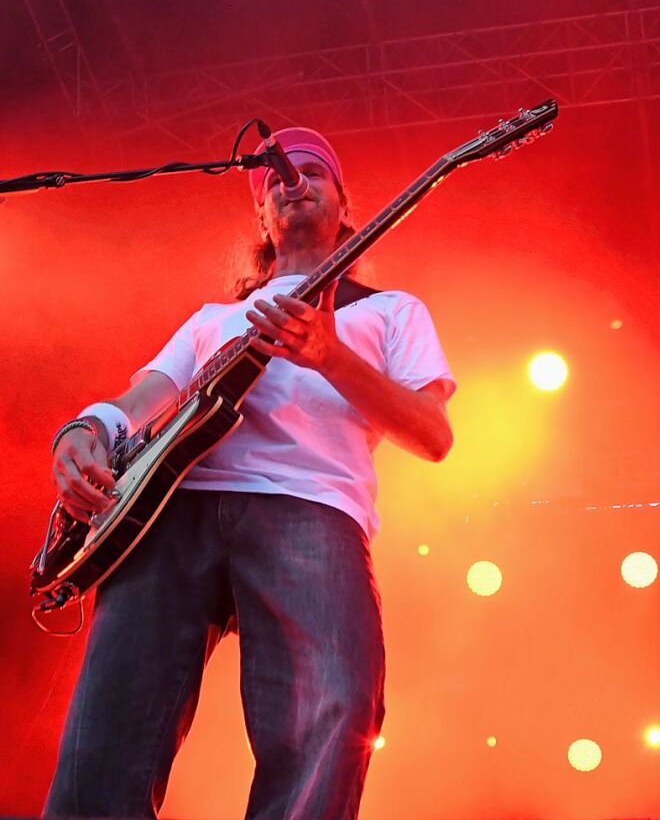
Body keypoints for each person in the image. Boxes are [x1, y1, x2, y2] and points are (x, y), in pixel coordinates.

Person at [44, 127, 456, 820]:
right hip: (168, 510)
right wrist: (82, 431)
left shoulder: (390, 312)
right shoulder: (213, 318)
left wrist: (331, 356)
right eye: (274, 181)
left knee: (334, 712)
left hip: (308, 507)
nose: (291, 182)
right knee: (106, 736)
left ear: (344, 203)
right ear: (261, 217)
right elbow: (139, 400)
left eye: (310, 173)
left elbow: (432, 434)